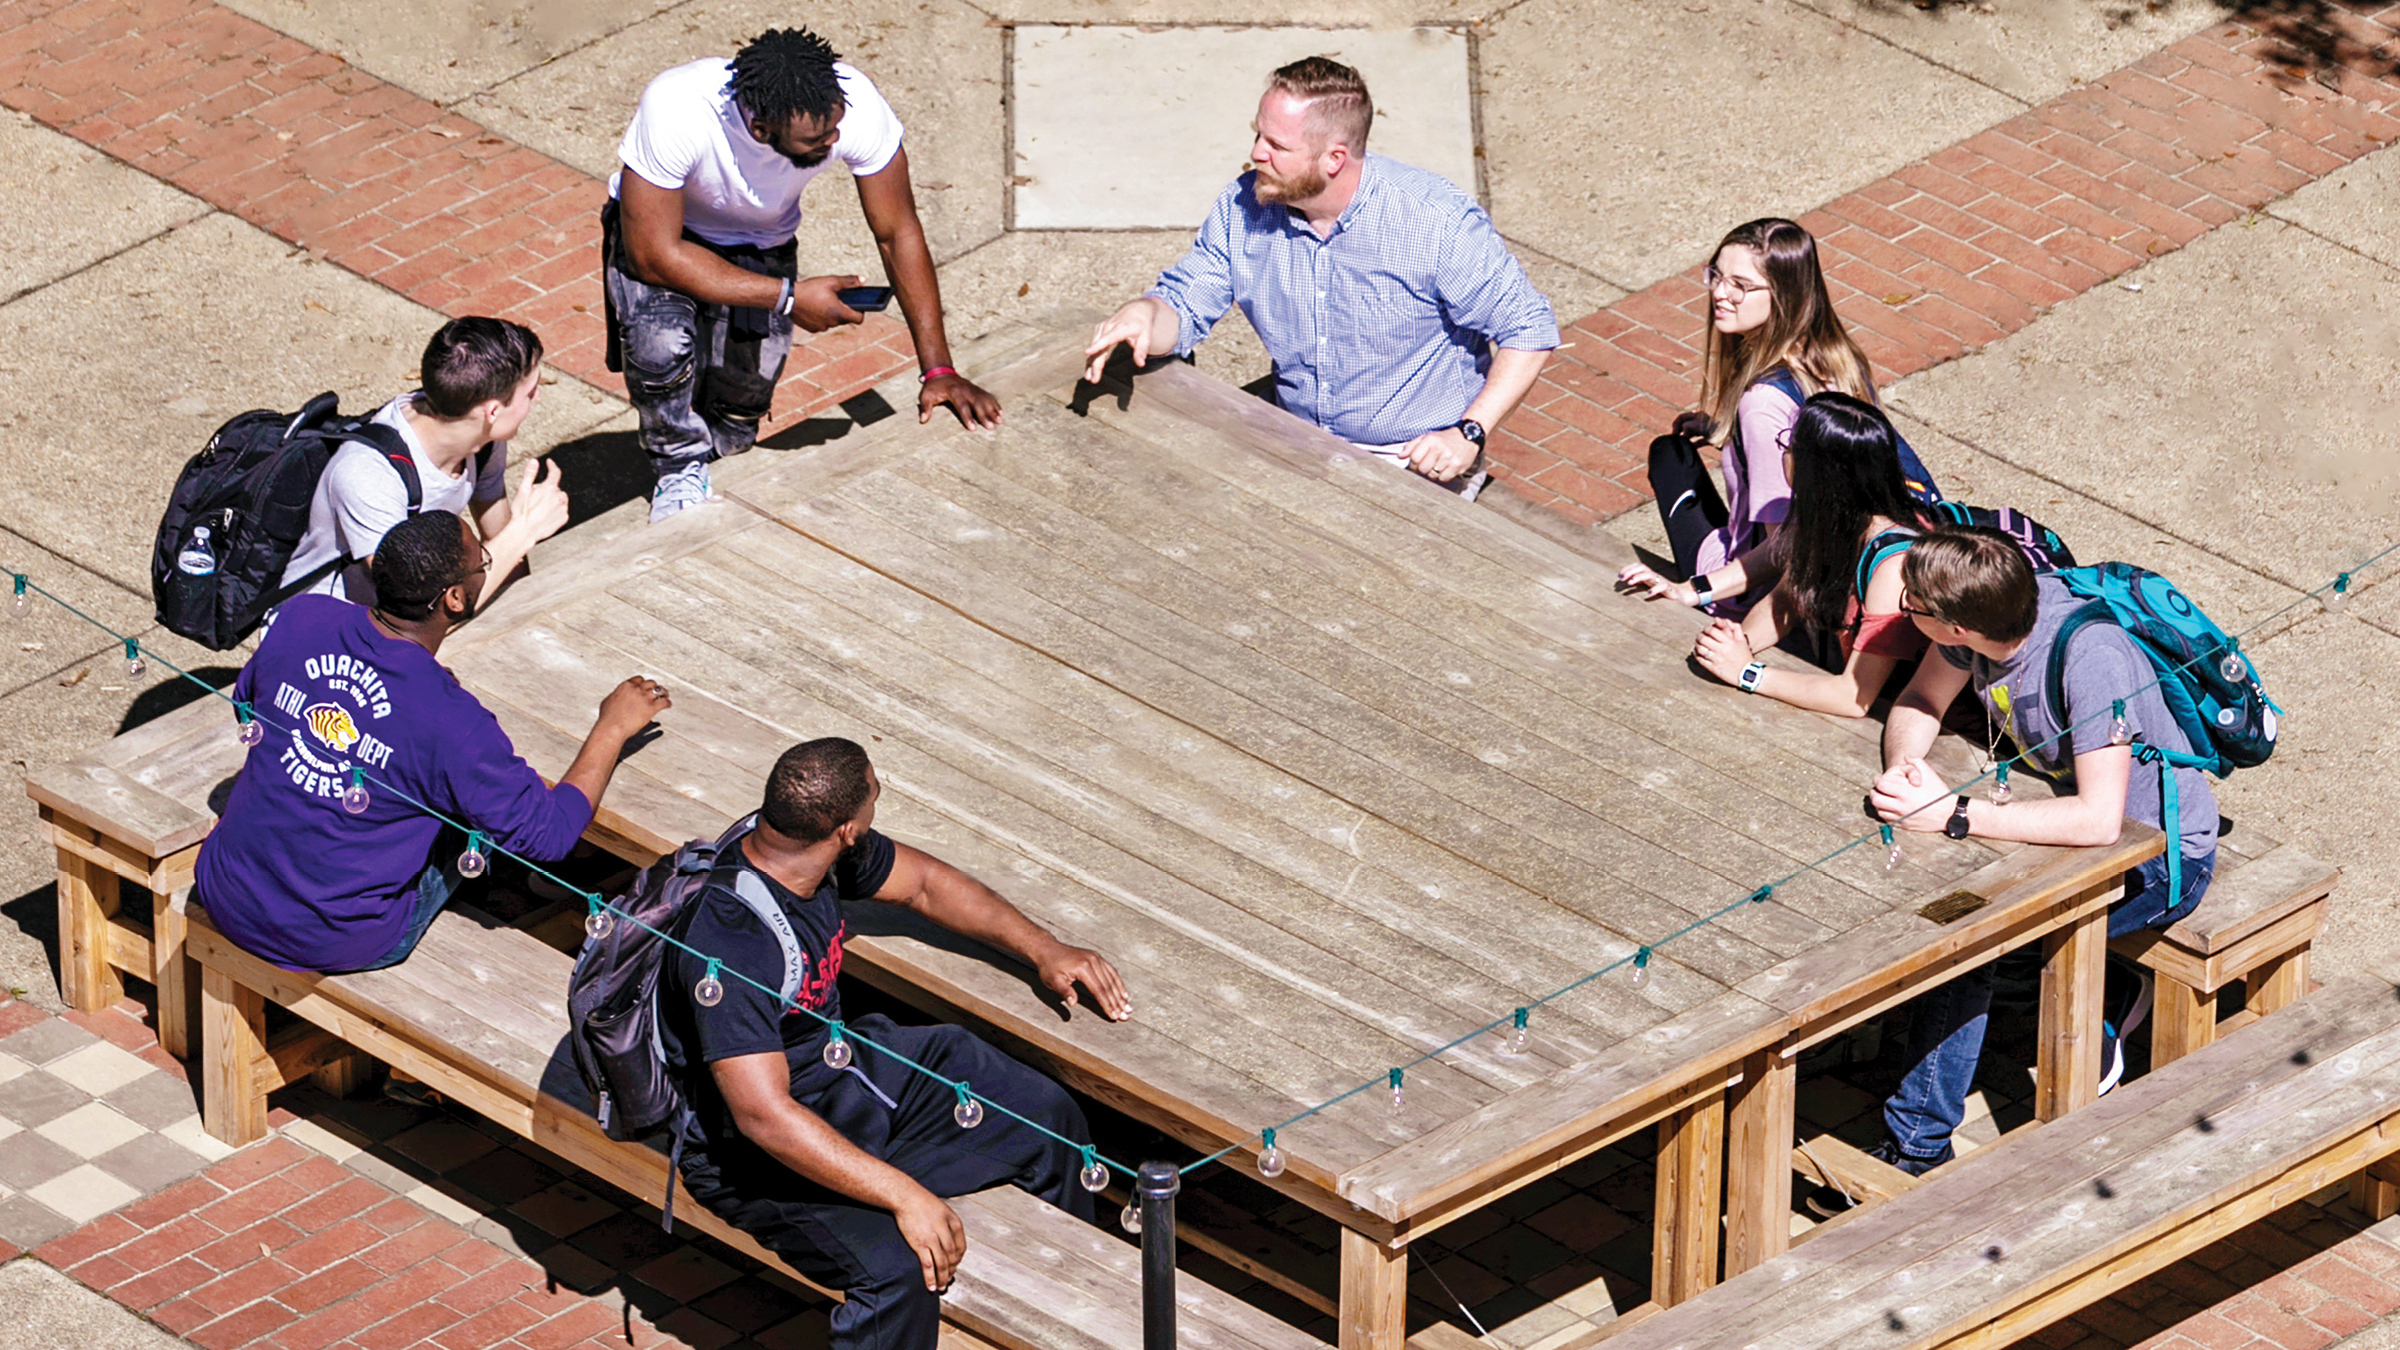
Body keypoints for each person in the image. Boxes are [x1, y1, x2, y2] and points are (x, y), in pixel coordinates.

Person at [661, 737, 1133, 1350]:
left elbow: (925, 886)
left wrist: (1045, 949)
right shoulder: (732, 944)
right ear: (848, 827)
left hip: (845, 1069)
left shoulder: (807, 851)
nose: (881, 797)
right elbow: (763, 1117)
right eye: (876, 790)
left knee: (1046, 1118)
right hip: (752, 1153)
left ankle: (1066, 1312)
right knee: (895, 1279)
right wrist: (906, 1196)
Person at [1820, 528, 2218, 1210]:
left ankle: (1916, 1144)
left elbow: (2100, 821)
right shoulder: (1977, 622)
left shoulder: (2090, 660)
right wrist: (1904, 771)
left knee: (1971, 939)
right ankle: (2093, 987)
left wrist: (1953, 813)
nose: (1899, 610)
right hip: (2061, 828)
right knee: (1952, 916)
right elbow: (1920, 702)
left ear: (1958, 623)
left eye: (1910, 604)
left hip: (2159, 858)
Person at [197, 511, 671, 973]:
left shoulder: (303, 617)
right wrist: (612, 727)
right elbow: (549, 836)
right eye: (482, 562)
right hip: (335, 937)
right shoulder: (454, 722)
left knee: (436, 778)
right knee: (479, 810)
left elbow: (248, 707)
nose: (485, 568)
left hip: (226, 890)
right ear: (456, 599)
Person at [1081, 56, 1559, 501]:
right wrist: (1146, 314)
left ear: (1333, 159)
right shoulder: (1244, 206)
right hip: (1293, 434)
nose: (1255, 154)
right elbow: (1186, 304)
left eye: (1276, 145)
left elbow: (1529, 330)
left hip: (1412, 459)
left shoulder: (1435, 223)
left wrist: (1469, 433)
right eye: (1258, 135)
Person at [607, 27, 1000, 522]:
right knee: (660, 348)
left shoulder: (852, 104)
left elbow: (898, 231)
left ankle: (717, 461)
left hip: (763, 243)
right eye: (817, 140)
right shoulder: (679, 106)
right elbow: (652, 254)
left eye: (836, 127)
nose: (834, 141)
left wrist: (939, 369)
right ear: (760, 129)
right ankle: (677, 466)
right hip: (669, 236)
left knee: (742, 402)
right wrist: (789, 299)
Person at [1616, 218, 1888, 620]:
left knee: (1669, 456)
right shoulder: (1838, 359)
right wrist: (1725, 433)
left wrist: (1694, 590)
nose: (1720, 293)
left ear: (1783, 295)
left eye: (1740, 285)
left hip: (1757, 593)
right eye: (1716, 275)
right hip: (1845, 569)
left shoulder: (1762, 405)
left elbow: (1783, 551)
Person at [280, 316, 568, 611]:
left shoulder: (479, 436)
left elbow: (500, 536)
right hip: (323, 635)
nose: (539, 396)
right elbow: (417, 611)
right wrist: (525, 531)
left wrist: (529, 606)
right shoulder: (368, 475)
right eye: (531, 392)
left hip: (406, 613)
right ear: (492, 411)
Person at [1689, 393, 1932, 714]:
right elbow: (1786, 601)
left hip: (1902, 721)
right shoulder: (1829, 518)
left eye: (1790, 444)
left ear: (1820, 472)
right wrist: (1735, 647)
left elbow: (1855, 697)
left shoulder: (1894, 564)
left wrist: (1748, 673)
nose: (1784, 451)